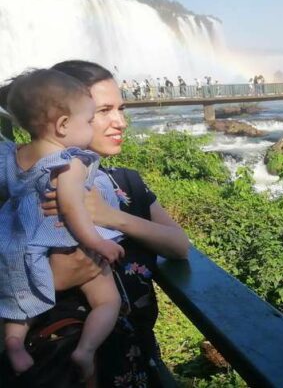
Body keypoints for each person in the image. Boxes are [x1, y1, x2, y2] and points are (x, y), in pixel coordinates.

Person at [0, 60, 189, 387]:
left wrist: (109, 215)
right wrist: (59, 277)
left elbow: (179, 246)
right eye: (102, 111)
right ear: (62, 119)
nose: (120, 122)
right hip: (57, 361)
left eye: (121, 108)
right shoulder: (28, 191)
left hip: (136, 359)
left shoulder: (126, 182)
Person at [0, 70, 126, 381]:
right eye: (88, 120)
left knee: (20, 299)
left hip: (17, 243)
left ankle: (14, 343)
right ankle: (86, 350)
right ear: (63, 125)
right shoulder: (70, 162)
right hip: (61, 240)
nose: (90, 127)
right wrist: (98, 242)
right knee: (108, 300)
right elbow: (72, 208)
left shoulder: (14, 156)